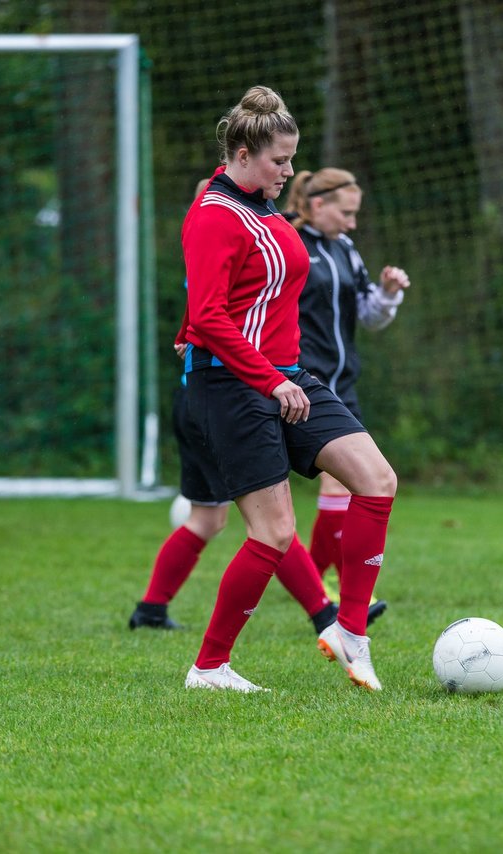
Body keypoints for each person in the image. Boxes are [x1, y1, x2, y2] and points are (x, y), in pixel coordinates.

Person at [179, 86, 397, 693]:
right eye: (280, 160)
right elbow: (209, 314)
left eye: (293, 158)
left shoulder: (264, 205)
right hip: (233, 387)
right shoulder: (215, 215)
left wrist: (281, 376)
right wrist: (268, 379)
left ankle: (351, 630)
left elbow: (232, 297)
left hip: (288, 376)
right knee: (273, 535)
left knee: (378, 481)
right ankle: (209, 667)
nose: (290, 171)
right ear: (244, 154)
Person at [130, 181, 356, 637]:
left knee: (210, 519)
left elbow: (200, 310)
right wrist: (272, 379)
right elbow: (210, 316)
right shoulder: (222, 227)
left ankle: (151, 609)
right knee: (272, 522)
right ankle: (324, 615)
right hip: (222, 398)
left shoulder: (224, 233)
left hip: (200, 399)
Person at [283, 168, 410, 605]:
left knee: (343, 488)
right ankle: (324, 590)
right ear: (318, 205)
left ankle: (316, 585)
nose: (352, 223)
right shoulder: (288, 242)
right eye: (347, 213)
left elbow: (370, 315)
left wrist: (389, 293)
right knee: (340, 487)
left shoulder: (346, 250)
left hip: (343, 385)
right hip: (300, 383)